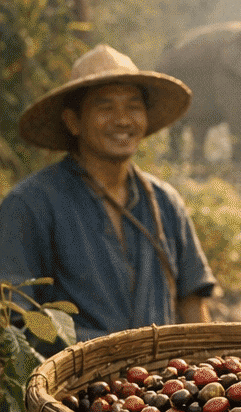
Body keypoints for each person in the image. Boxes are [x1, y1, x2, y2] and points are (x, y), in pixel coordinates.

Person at [0, 44, 217, 346]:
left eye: (133, 106)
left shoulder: (166, 202)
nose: (123, 120)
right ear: (73, 121)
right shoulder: (29, 206)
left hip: (157, 387)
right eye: (105, 107)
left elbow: (192, 305)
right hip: (73, 388)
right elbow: (14, 323)